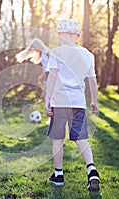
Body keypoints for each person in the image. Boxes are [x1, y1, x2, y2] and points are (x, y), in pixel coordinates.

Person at [44, 19, 100, 191]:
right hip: (78, 102)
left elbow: (53, 76)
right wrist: (94, 102)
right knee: (80, 138)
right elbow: (92, 80)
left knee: (58, 138)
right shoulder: (88, 55)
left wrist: (47, 98)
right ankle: (92, 170)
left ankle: (59, 175)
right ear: (77, 35)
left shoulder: (56, 52)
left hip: (60, 102)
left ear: (60, 34)